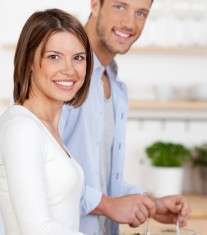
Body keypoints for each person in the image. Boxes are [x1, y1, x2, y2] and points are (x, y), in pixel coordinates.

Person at [59, 0, 192, 234]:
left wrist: (150, 204)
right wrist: (109, 205)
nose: (130, 23)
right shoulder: (63, 74)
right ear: (95, 5)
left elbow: (101, 179)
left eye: (141, 13)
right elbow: (42, 174)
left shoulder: (114, 83)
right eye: (120, 6)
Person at [0, 8, 93, 235]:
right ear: (29, 61)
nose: (69, 70)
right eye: (54, 57)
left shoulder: (45, 127)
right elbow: (37, 230)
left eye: (78, 58)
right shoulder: (22, 128)